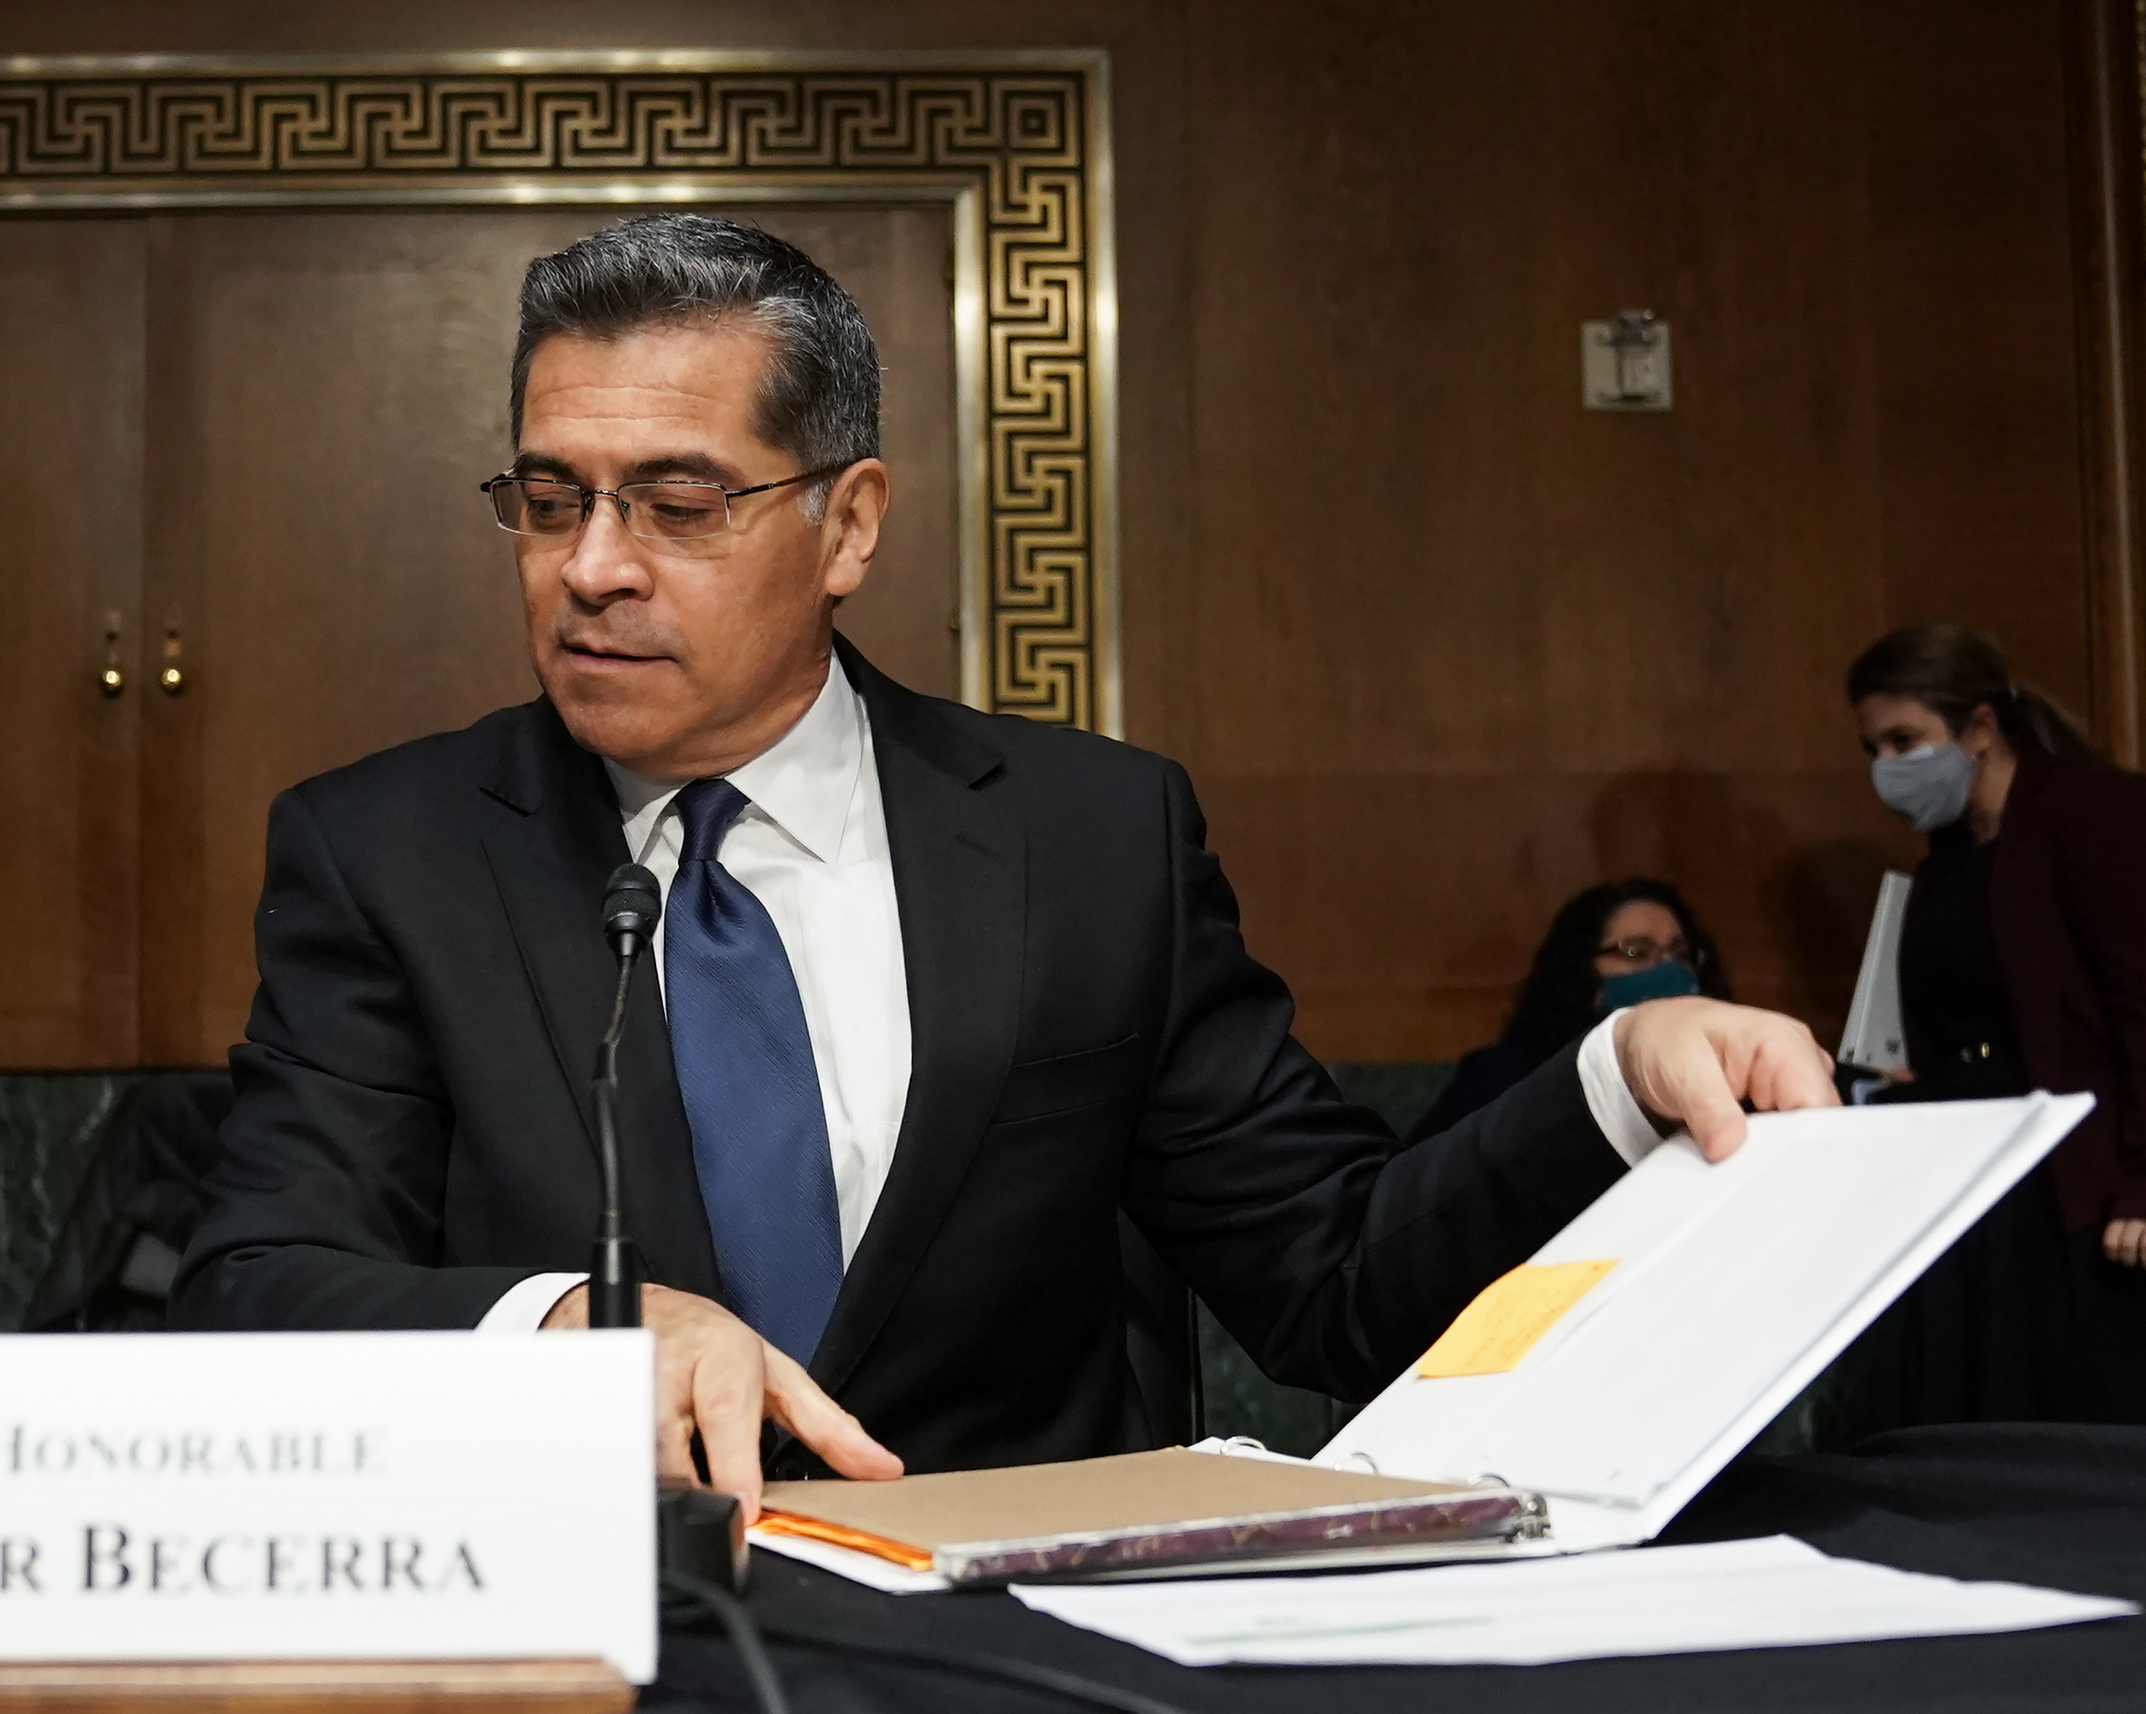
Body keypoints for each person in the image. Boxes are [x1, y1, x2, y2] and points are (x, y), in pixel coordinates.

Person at [176, 213, 1835, 1511]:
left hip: (1020, 1694)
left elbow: (1331, 1274)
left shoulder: (1084, 839)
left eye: (676, 505)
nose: (589, 569)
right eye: (547, 502)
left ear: (847, 524)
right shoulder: (386, 850)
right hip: (606, 1666)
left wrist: (1610, 1076)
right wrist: (568, 1328)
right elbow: (257, 1289)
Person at [1834, 623, 2146, 1428]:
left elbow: (2137, 1002)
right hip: (1973, 1165)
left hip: (2073, 1173)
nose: (1888, 767)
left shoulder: (2086, 811)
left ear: (1978, 728)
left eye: (1907, 740)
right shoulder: (1948, 856)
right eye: (1875, 747)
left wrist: (2143, 1181)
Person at [1408, 879, 1732, 1142]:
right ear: (1579, 971)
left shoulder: (1731, 1078)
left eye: (1680, 954)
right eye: (1635, 951)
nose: (1666, 968)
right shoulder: (1507, 1079)